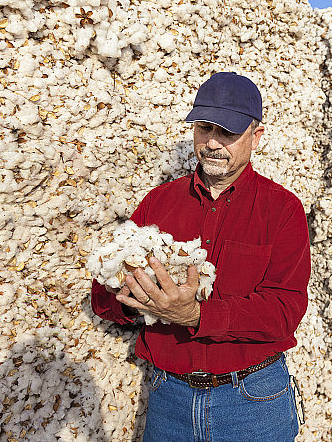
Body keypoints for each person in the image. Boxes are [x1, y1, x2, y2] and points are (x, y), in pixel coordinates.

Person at [91, 72, 310, 441]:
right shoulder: (157, 204)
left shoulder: (283, 209)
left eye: (227, 132)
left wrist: (194, 314)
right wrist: (141, 299)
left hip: (252, 401)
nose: (212, 143)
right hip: (169, 400)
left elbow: (284, 311)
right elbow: (103, 297)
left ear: (256, 138)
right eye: (204, 128)